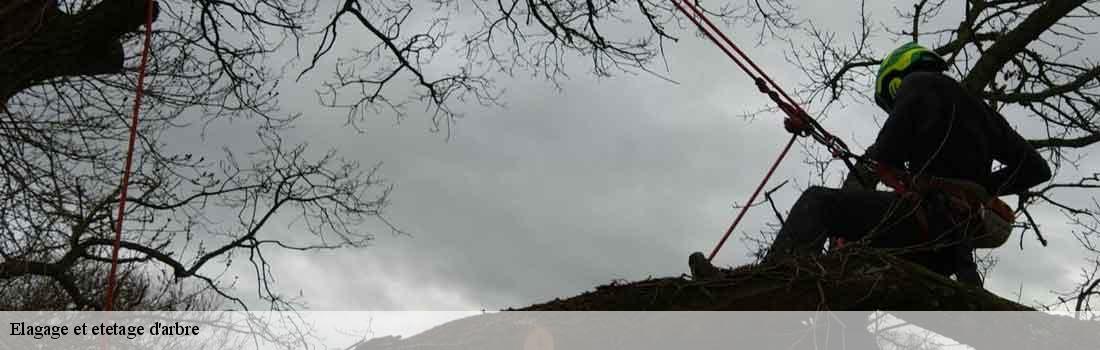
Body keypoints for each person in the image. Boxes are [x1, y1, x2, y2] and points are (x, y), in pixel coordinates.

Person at [761, 42, 1052, 286]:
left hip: (923, 223)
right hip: (948, 249)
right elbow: (1037, 169)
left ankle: (772, 284)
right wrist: (979, 189)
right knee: (854, 266)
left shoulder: (917, 83)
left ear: (896, 78)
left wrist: (915, 178)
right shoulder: (984, 113)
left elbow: (885, 155)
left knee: (819, 202)